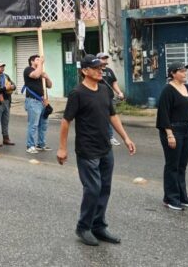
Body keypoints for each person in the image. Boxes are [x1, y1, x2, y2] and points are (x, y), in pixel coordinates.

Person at [58, 54, 136, 247]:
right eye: (96, 68)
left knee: (105, 189)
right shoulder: (77, 93)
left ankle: (98, 226)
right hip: (87, 150)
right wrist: (62, 148)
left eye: (101, 67)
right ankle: (83, 227)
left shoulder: (103, 89)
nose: (101, 70)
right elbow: (66, 121)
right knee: (93, 189)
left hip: (105, 149)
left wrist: (125, 138)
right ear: (85, 71)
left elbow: (113, 115)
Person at [156, 62, 188, 210]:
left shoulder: (187, 88)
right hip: (173, 130)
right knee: (172, 165)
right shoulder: (168, 90)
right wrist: (169, 134)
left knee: (182, 166)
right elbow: (163, 113)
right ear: (173, 74)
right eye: (181, 71)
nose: (185, 73)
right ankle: (170, 198)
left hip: (187, 129)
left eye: (185, 71)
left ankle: (182, 196)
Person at [23, 55, 53, 154]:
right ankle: (30, 145)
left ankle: (41, 144)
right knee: (33, 125)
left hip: (43, 102)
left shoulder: (41, 71)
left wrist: (47, 77)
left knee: (43, 125)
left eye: (40, 59)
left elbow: (49, 85)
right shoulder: (28, 70)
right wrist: (40, 64)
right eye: (37, 59)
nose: (39, 60)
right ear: (32, 61)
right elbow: (35, 75)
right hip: (33, 101)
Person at [98, 52, 124, 146]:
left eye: (105, 58)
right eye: (102, 58)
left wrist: (119, 92)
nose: (105, 59)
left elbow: (114, 83)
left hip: (109, 98)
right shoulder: (96, 71)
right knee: (102, 118)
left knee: (111, 117)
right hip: (99, 99)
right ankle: (106, 136)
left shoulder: (109, 71)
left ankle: (110, 136)